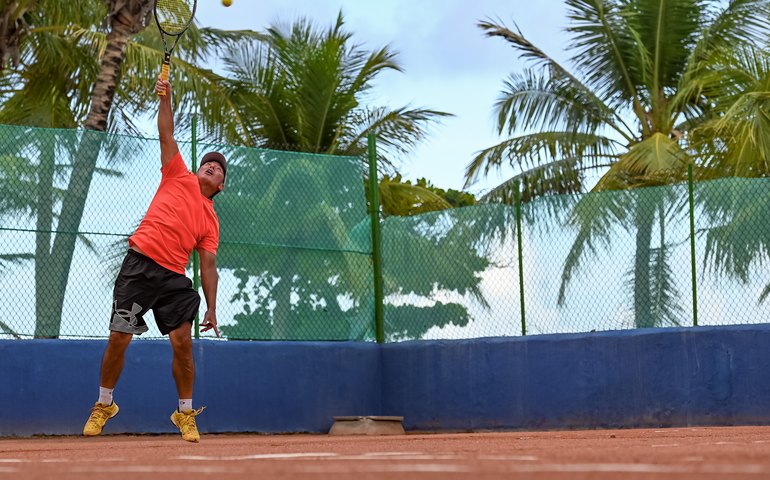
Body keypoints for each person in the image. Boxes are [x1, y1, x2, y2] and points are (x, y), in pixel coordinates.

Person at [82, 76, 225, 443]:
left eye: (219, 168)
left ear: (221, 185)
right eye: (207, 163)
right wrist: (166, 97)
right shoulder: (178, 174)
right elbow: (166, 133)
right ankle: (104, 405)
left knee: (183, 343)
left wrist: (211, 308)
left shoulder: (211, 220)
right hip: (139, 265)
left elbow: (208, 266)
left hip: (173, 278)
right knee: (119, 338)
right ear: (197, 170)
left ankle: (185, 412)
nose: (212, 166)